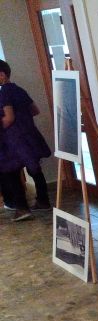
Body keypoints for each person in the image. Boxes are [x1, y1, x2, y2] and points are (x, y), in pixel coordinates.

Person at [0, 59, 52, 221]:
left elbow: (9, 118)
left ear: (2, 75)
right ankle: (43, 201)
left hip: (15, 139)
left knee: (10, 171)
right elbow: (35, 110)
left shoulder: (4, 92)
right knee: (34, 169)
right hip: (29, 135)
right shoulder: (19, 89)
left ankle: (22, 208)